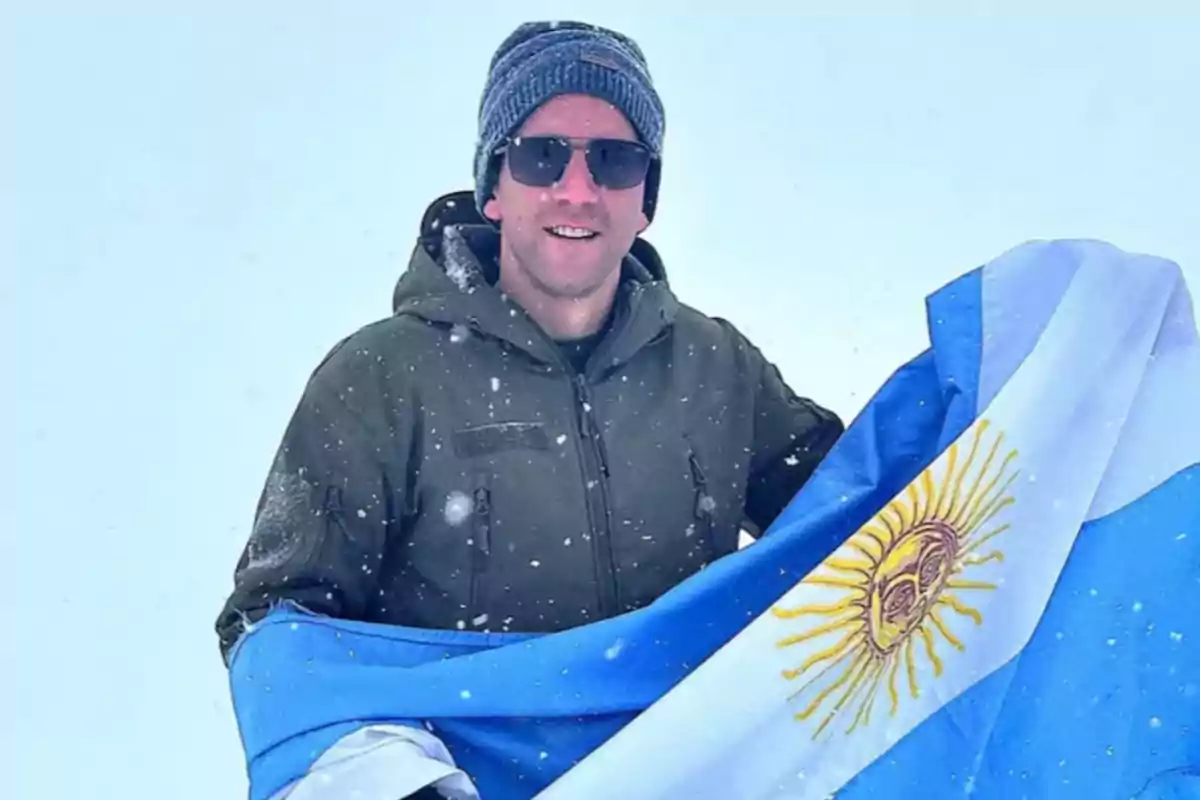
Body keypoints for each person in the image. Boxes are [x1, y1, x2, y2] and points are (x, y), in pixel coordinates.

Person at [215, 19, 844, 799]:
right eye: (543, 154)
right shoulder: (378, 379)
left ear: (645, 198)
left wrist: (1016, 423)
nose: (577, 189)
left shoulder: (716, 366)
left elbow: (869, 516)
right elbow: (276, 634)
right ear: (493, 186)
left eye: (614, 161)